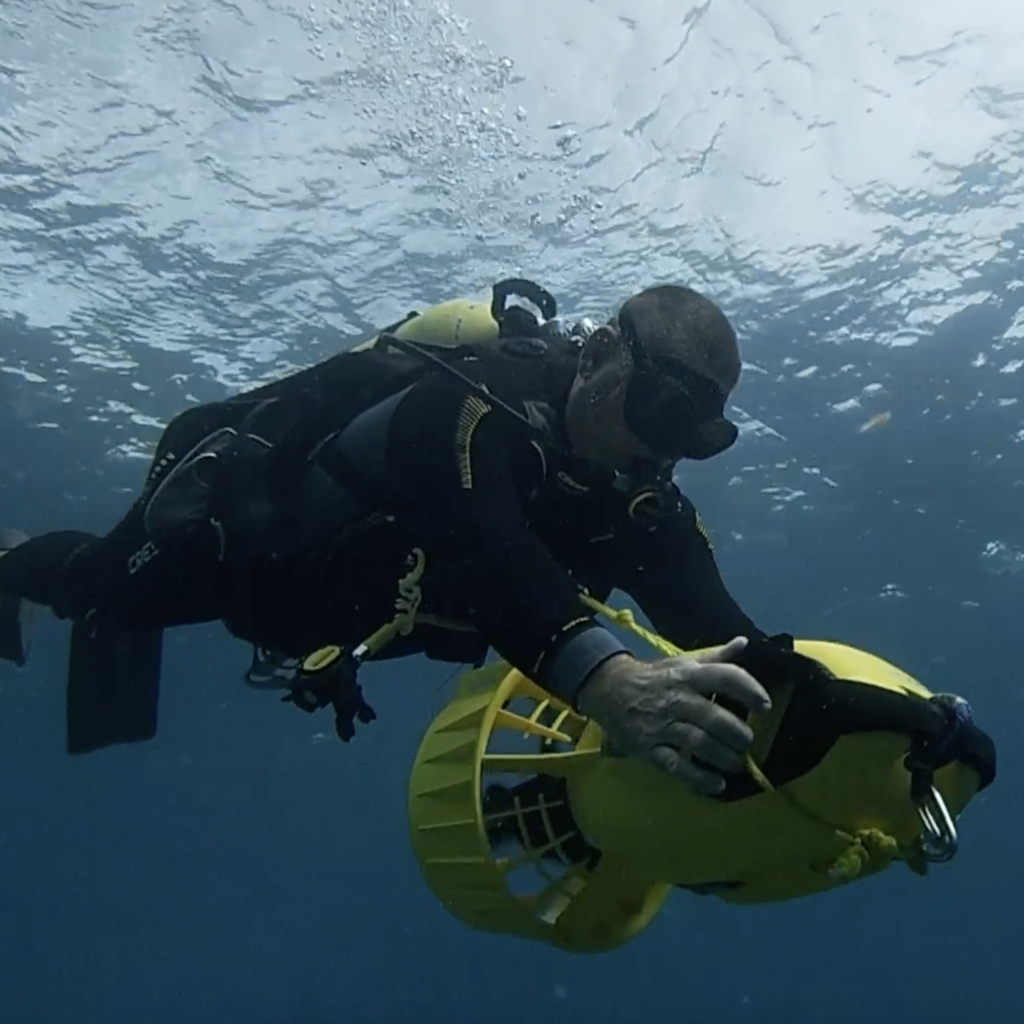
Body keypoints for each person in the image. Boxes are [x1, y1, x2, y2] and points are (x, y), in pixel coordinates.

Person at [0, 279, 779, 796]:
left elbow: (732, 638)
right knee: (97, 588)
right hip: (234, 542)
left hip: (320, 607)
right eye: (658, 413)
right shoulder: (471, 408)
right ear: (603, 353)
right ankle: (12, 559)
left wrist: (877, 719)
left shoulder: (630, 497)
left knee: (120, 605)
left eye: (694, 436)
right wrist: (608, 683)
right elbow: (489, 557)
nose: (665, 452)